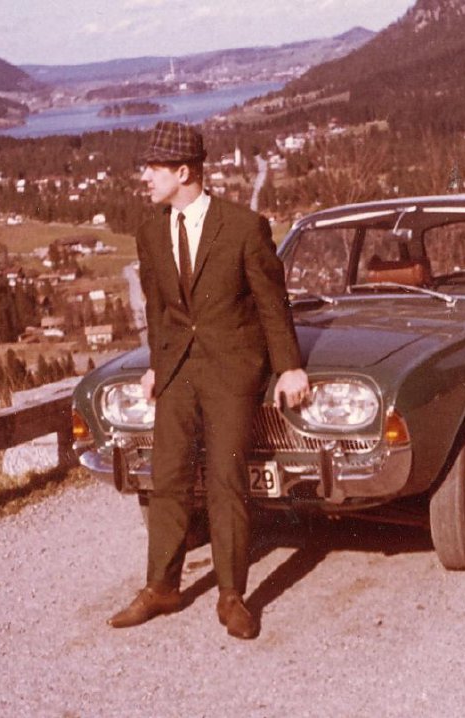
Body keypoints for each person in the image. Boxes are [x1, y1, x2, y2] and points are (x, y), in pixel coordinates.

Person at [108, 121, 309, 639]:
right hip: (177, 370)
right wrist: (157, 364)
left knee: (225, 478)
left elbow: (271, 303)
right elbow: (159, 309)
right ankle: (162, 587)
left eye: (154, 168)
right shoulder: (151, 232)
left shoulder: (242, 226)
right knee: (168, 476)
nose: (145, 177)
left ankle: (232, 595)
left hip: (231, 368)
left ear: (184, 172)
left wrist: (289, 366)